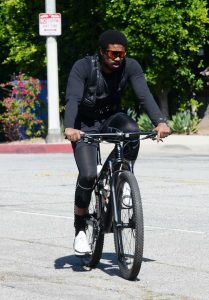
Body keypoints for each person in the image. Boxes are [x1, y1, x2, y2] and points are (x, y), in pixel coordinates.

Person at [64, 29, 170, 256]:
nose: (118, 58)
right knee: (88, 175)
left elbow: (144, 95)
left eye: (121, 54)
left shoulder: (130, 66)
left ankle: (120, 177)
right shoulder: (82, 67)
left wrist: (160, 122)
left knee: (131, 131)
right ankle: (80, 229)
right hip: (84, 125)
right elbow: (72, 97)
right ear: (102, 52)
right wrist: (70, 127)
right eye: (113, 54)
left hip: (111, 117)